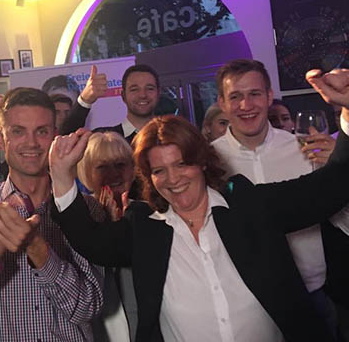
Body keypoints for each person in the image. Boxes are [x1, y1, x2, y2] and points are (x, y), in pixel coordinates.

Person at [49, 67, 349, 342]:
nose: (173, 179)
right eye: (158, 171)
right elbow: (92, 242)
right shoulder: (146, 229)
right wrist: (62, 178)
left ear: (202, 163)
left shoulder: (250, 205)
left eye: (182, 164)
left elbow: (330, 189)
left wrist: (347, 109)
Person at [0, 87, 103, 341]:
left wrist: (39, 250)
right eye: (18, 131)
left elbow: (88, 308)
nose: (32, 143)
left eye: (42, 131)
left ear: (54, 137)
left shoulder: (86, 209)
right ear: (0, 140)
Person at [212, 60, 348, 335]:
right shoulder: (209, 161)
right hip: (247, 304)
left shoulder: (306, 147)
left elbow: (341, 218)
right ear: (222, 103)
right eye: (235, 96)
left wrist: (337, 165)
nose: (245, 105)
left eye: (255, 94)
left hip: (314, 296)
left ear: (269, 97)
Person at [77, 131, 138, 341]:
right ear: (86, 171)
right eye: (102, 167)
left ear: (132, 169)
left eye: (120, 164)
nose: (113, 175)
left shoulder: (149, 214)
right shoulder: (78, 220)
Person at [61, 64, 160, 143]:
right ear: (123, 96)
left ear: (158, 93)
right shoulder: (103, 138)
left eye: (149, 88)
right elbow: (64, 140)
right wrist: (85, 100)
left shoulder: (171, 134)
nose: (143, 95)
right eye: (134, 89)